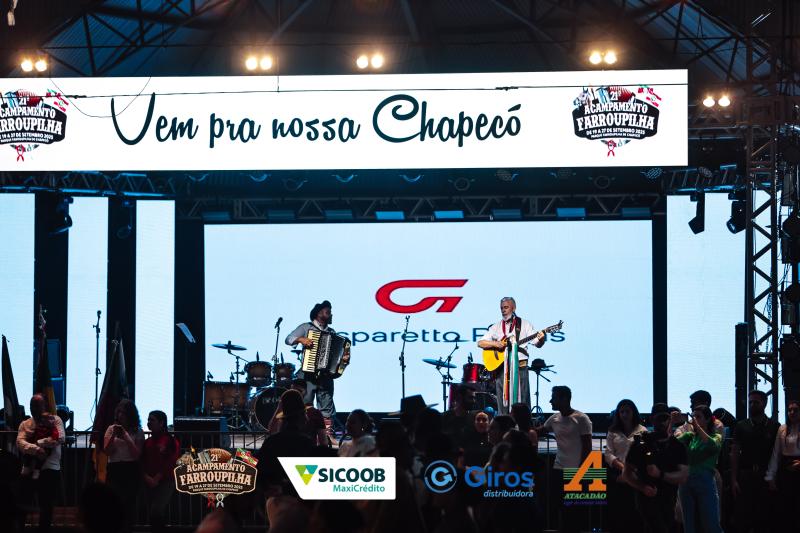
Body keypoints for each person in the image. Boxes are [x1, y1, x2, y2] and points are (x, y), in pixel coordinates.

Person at [286, 300, 349, 438]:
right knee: (305, 404)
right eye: (328, 312)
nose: (331, 315)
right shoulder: (306, 327)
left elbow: (337, 356)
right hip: (307, 374)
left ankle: (326, 436)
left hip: (325, 376)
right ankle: (303, 435)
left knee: (326, 406)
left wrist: (343, 360)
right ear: (319, 313)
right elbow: (288, 339)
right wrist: (301, 339)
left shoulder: (332, 332)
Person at [622, 404, 689, 533]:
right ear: (652, 419)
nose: (663, 422)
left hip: (668, 499)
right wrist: (642, 487)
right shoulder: (640, 444)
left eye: (666, 418)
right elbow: (626, 473)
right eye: (659, 418)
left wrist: (660, 474)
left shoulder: (677, 446)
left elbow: (683, 476)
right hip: (646, 499)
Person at [536, 385, 592, 533]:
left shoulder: (581, 418)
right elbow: (538, 431)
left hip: (576, 471)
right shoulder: (554, 418)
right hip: (558, 469)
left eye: (553, 398)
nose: (550, 401)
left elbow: (587, 448)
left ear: (564, 399)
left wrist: (580, 472)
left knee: (575, 511)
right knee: (560, 507)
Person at [477, 297, 545, 414]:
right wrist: (496, 344)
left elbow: (537, 344)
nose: (503, 310)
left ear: (514, 308)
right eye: (501, 308)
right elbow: (480, 343)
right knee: (503, 405)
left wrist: (542, 339)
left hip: (520, 368)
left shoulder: (525, 324)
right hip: (502, 370)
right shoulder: (496, 327)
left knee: (522, 404)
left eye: (506, 307)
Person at [730, 390, 780, 533]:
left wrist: (774, 478)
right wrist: (733, 479)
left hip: (765, 476)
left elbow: (777, 455)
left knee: (764, 518)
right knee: (743, 517)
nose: (752, 405)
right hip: (746, 475)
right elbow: (734, 453)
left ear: (764, 403)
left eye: (756, 402)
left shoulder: (774, 426)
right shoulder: (741, 425)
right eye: (750, 402)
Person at [16, 394, 65, 533]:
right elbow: (20, 442)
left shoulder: (55, 420)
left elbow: (60, 438)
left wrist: (40, 442)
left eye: (37, 405)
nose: (34, 408)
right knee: (22, 504)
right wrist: (36, 449)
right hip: (29, 469)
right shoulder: (25, 424)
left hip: (50, 469)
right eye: (32, 405)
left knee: (46, 506)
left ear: (45, 406)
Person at [255, 389, 315, 492]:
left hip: (273, 495)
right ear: (302, 416)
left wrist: (241, 455)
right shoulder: (306, 443)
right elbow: (308, 479)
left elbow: (257, 465)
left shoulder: (271, 442)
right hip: (296, 496)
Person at [676, 405, 724, 533]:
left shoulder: (716, 436)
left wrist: (697, 427)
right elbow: (671, 443)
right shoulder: (690, 436)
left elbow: (712, 446)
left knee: (711, 524)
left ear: (708, 419)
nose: (694, 419)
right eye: (693, 416)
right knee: (688, 525)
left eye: (698, 417)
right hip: (686, 480)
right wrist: (671, 422)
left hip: (705, 480)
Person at [604, 399, 647, 533]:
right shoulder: (613, 431)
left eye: (627, 411)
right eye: (621, 412)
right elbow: (608, 454)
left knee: (636, 512)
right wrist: (624, 469)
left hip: (637, 474)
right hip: (618, 474)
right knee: (618, 512)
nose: (624, 414)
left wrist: (631, 472)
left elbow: (646, 453)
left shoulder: (642, 430)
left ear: (633, 412)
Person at [103, 399, 145, 533]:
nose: (120, 415)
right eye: (119, 412)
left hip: (130, 468)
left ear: (130, 415)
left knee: (128, 504)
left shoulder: (138, 431)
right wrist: (113, 435)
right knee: (113, 503)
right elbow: (107, 451)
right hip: (114, 468)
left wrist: (126, 436)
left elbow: (136, 454)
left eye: (124, 413)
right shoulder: (111, 429)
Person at [142, 410, 180, 533]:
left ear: (161, 423)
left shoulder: (171, 441)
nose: (148, 422)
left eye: (152, 420)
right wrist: (147, 477)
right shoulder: (147, 442)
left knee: (156, 510)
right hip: (150, 481)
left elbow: (171, 461)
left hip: (165, 481)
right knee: (153, 513)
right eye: (148, 420)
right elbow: (142, 461)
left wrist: (157, 478)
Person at [765, 399, 800, 531]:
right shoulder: (783, 428)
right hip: (785, 469)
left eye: (795, 410)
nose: (792, 412)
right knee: (786, 508)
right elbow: (776, 453)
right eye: (789, 410)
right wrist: (770, 476)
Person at [267, 378, 327, 446]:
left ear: (306, 392)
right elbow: (271, 431)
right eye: (293, 391)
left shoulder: (314, 412)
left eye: (299, 391)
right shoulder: (284, 412)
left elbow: (323, 442)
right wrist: (280, 406)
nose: (295, 394)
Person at [442, 384, 478, 449]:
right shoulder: (444, 418)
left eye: (474, 398)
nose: (474, 401)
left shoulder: (475, 419)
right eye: (470, 398)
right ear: (460, 397)